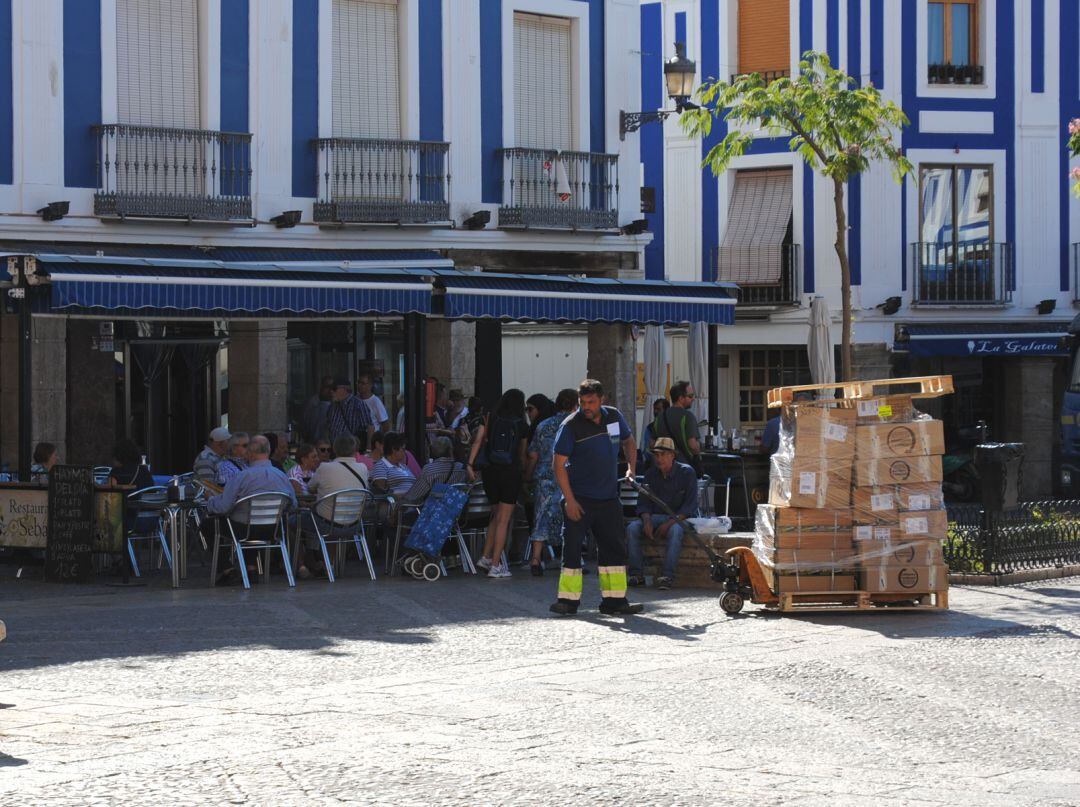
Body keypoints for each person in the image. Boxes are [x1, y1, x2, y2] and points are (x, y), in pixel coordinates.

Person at [549, 379, 642, 616]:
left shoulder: (614, 417)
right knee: (572, 551)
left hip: (609, 498)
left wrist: (631, 468)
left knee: (614, 549)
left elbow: (629, 442)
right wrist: (569, 500)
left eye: (591, 402)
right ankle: (568, 602)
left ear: (602, 400)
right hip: (580, 498)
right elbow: (558, 465)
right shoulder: (571, 426)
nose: (586, 407)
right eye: (582, 402)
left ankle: (615, 601)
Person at [466, 389, 529, 579]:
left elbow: (478, 441)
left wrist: (470, 464)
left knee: (495, 515)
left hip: (490, 472)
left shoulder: (490, 418)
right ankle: (496, 565)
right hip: (510, 472)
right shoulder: (521, 425)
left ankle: (485, 556)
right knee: (504, 519)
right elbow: (522, 454)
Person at [626, 437, 699, 590]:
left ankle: (667, 576)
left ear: (672, 455)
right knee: (632, 528)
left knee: (676, 530)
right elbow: (643, 503)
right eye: (657, 455)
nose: (659, 459)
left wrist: (669, 523)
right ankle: (636, 574)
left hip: (679, 518)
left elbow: (689, 507)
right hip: (655, 517)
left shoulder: (687, 472)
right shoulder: (651, 474)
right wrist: (646, 521)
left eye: (663, 455)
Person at [523, 388, 576, 576]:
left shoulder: (543, 425)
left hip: (544, 477)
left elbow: (533, 455)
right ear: (575, 405)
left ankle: (536, 559)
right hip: (569, 478)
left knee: (541, 516)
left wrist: (527, 477)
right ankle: (572, 559)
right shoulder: (576, 424)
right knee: (570, 517)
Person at [206, 434, 297, 518]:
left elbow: (223, 507)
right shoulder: (282, 476)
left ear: (250, 453)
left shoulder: (241, 477)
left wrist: (210, 499)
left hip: (241, 531)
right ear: (269, 452)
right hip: (274, 530)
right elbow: (293, 505)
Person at [308, 434, 370, 517]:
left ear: (334, 449)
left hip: (325, 524)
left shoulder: (324, 467)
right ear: (354, 449)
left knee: (293, 520)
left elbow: (310, 488)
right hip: (354, 524)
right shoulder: (363, 468)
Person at [652, 380, 702, 473]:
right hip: (684, 468)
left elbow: (652, 444)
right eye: (690, 396)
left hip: (663, 468)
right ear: (681, 398)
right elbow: (692, 445)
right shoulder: (687, 416)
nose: (693, 399)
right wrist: (699, 450)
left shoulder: (659, 418)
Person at [399, 437, 467, 504]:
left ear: (433, 451)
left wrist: (400, 499)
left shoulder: (429, 469)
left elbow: (414, 495)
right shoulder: (461, 467)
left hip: (435, 511)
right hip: (457, 508)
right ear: (450, 450)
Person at [327, 377, 374, 446]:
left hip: (351, 450)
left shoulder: (358, 404)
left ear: (344, 390)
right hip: (334, 450)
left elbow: (369, 427)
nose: (331, 391)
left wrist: (368, 450)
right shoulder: (333, 406)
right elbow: (328, 427)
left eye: (334, 389)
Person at [370, 432, 416, 496]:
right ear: (394, 449)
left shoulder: (404, 466)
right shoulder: (381, 466)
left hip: (413, 502)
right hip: (398, 503)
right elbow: (380, 494)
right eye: (403, 449)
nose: (405, 452)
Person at [300, 376, 334, 444]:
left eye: (332, 387)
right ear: (321, 387)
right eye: (327, 387)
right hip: (313, 443)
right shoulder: (311, 404)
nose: (330, 390)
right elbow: (304, 426)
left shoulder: (335, 405)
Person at [640, 398, 669, 468]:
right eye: (654, 409)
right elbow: (646, 450)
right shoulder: (650, 428)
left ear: (666, 410)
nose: (655, 412)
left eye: (658, 409)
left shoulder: (671, 426)